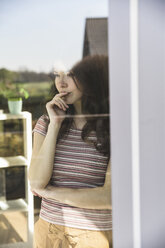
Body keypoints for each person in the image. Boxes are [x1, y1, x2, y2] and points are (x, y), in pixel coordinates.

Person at [28, 54, 112, 248]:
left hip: (93, 235)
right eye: (57, 74)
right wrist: (55, 125)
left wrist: (51, 193)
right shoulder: (46, 122)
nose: (62, 83)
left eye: (71, 74)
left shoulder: (111, 127)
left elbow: (109, 197)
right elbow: (36, 181)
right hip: (48, 232)